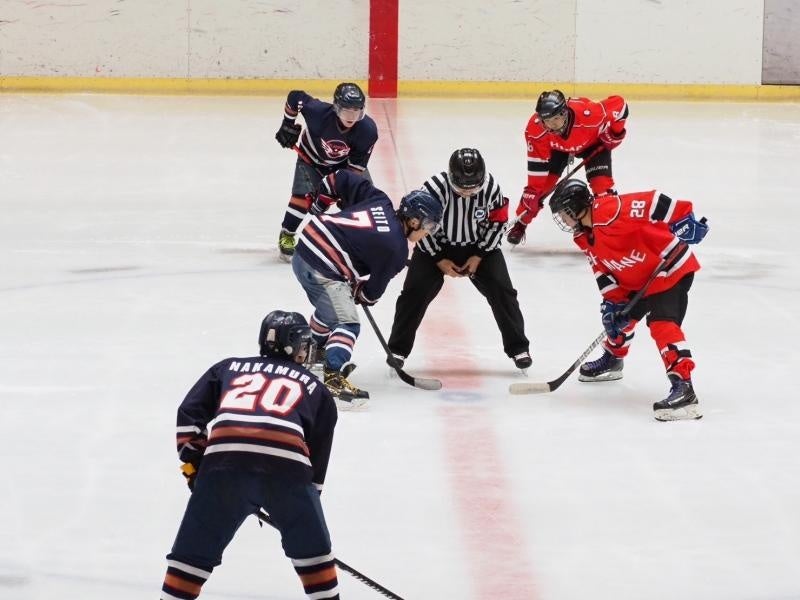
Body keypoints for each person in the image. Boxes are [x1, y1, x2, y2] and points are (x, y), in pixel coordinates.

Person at [159, 311, 340, 600]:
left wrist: (196, 464)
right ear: (296, 346)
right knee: (315, 555)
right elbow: (316, 462)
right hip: (287, 470)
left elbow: (189, 414)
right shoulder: (316, 388)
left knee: (191, 556)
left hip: (223, 463)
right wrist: (299, 508)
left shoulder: (228, 367)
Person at [548, 179, 709, 421]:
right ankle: (614, 359)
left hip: (669, 269)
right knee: (617, 317)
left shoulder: (608, 210)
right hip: (640, 280)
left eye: (563, 212)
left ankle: (684, 388)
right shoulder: (583, 236)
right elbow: (602, 270)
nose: (562, 219)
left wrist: (684, 216)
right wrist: (613, 302)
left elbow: (653, 201)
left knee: (662, 324)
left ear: (574, 208)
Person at [292, 169, 443, 407]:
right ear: (414, 221)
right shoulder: (397, 250)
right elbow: (370, 294)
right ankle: (333, 377)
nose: (429, 232)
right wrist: (359, 291)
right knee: (347, 322)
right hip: (323, 267)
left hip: (305, 246)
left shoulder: (380, 201)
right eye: (429, 225)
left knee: (330, 307)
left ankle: (312, 350)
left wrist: (322, 201)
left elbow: (340, 178)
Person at [386, 148, 532, 371]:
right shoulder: (433, 188)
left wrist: (480, 254)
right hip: (436, 247)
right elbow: (421, 227)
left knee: (503, 291)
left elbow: (498, 223)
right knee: (414, 293)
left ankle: (519, 348)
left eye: (473, 187)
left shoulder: (492, 189)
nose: (467, 192)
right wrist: (438, 258)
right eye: (462, 187)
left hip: (478, 246)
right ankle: (397, 349)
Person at [506, 89, 629, 245]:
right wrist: (533, 192)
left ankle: (611, 228)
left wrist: (615, 133)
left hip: (593, 144)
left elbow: (621, 106)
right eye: (546, 121)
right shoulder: (536, 130)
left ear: (564, 113)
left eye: (556, 119)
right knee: (537, 192)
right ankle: (520, 223)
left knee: (603, 190)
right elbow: (537, 171)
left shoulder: (589, 114)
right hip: (558, 150)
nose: (551, 126)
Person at [275, 82, 379, 262]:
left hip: (343, 166)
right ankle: (288, 233)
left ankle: (359, 241)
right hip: (310, 160)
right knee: (302, 197)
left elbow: (353, 172)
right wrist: (287, 123)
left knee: (362, 199)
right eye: (347, 111)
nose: (351, 117)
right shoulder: (318, 113)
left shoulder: (368, 131)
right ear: (336, 108)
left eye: (356, 112)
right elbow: (295, 97)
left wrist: (330, 195)